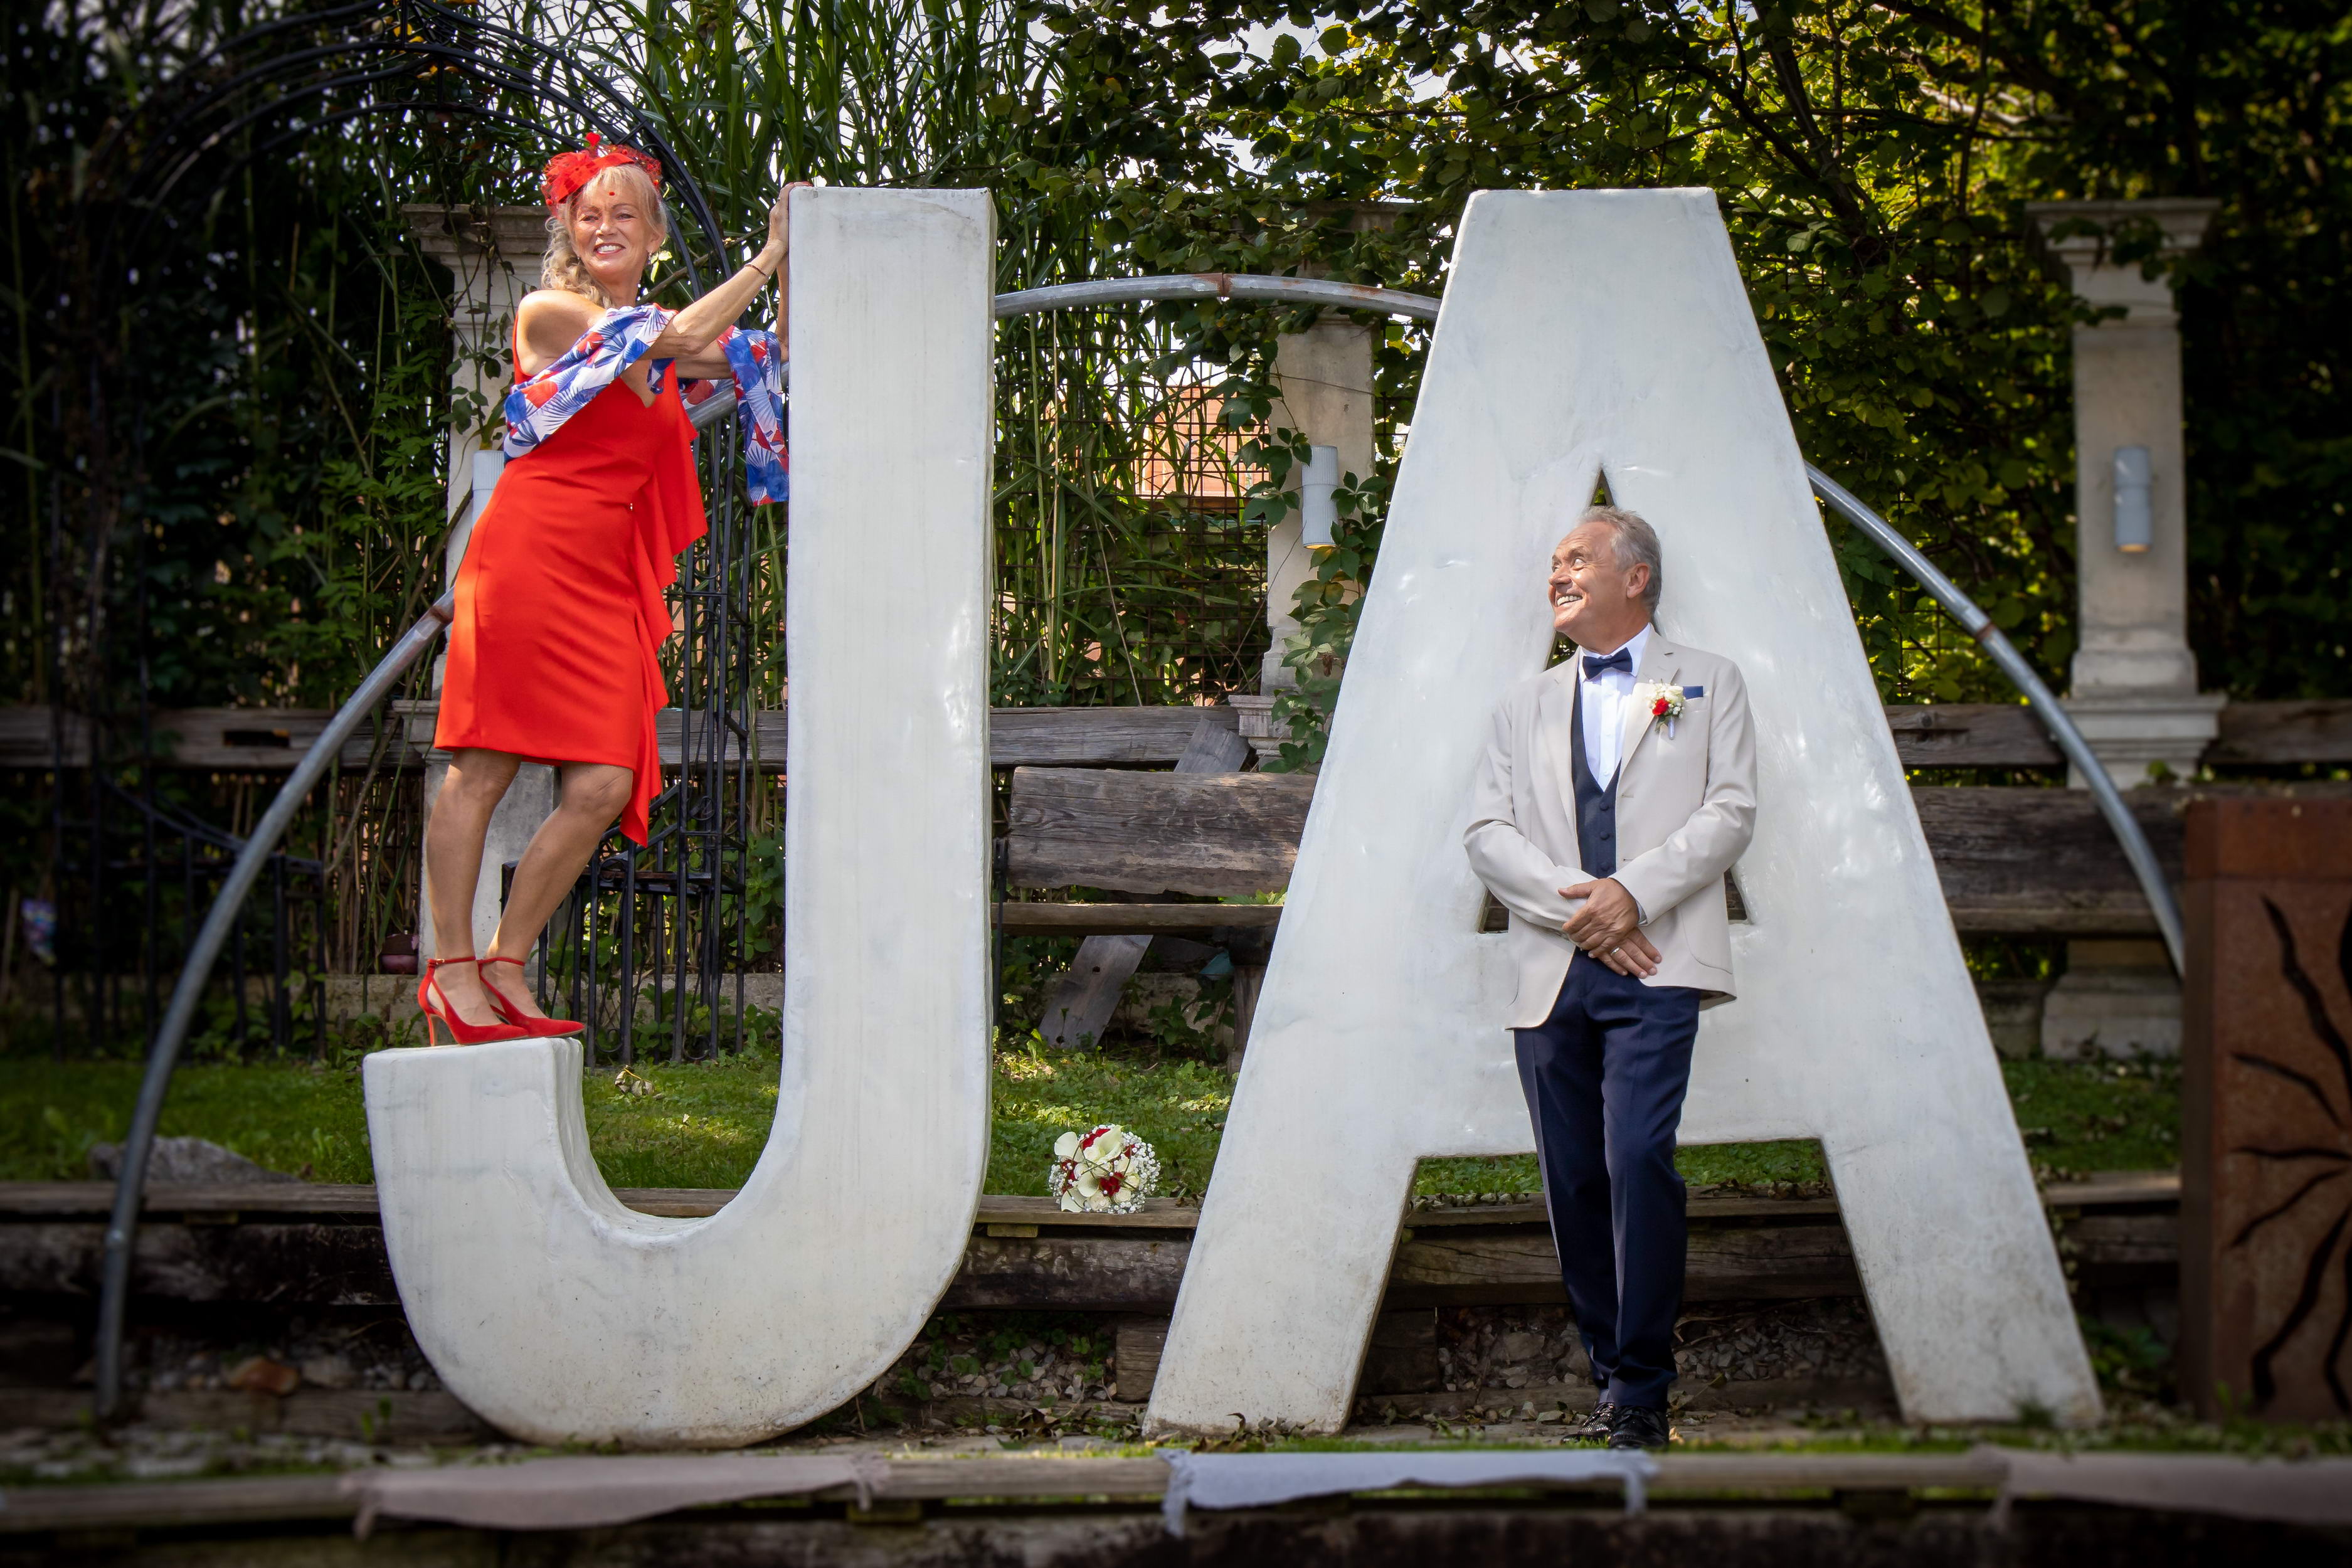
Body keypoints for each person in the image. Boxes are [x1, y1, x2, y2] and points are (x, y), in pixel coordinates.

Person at [416, 134, 798, 1046]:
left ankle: (506, 962)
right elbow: (678, 339)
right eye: (589, 214)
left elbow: (763, 351)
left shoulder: (660, 341)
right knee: (484, 763)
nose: (605, 226)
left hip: (600, 578)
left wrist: (810, 258)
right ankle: (448, 970)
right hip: (530, 559)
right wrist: (770, 254)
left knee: (602, 784)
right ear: (569, 233)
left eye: (625, 212)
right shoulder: (553, 313)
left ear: (655, 232)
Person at [1463, 504, 1757, 1449]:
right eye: (1553, 562)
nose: (1557, 574)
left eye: (1576, 559)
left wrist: (1633, 893)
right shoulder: (1523, 705)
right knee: (1573, 1179)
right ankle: (1609, 1379)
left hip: (1661, 965)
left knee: (1637, 1159)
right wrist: (1585, 911)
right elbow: (1486, 835)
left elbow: (1730, 811)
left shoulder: (1708, 684)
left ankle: (1641, 1387)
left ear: (1636, 578)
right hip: (1554, 971)